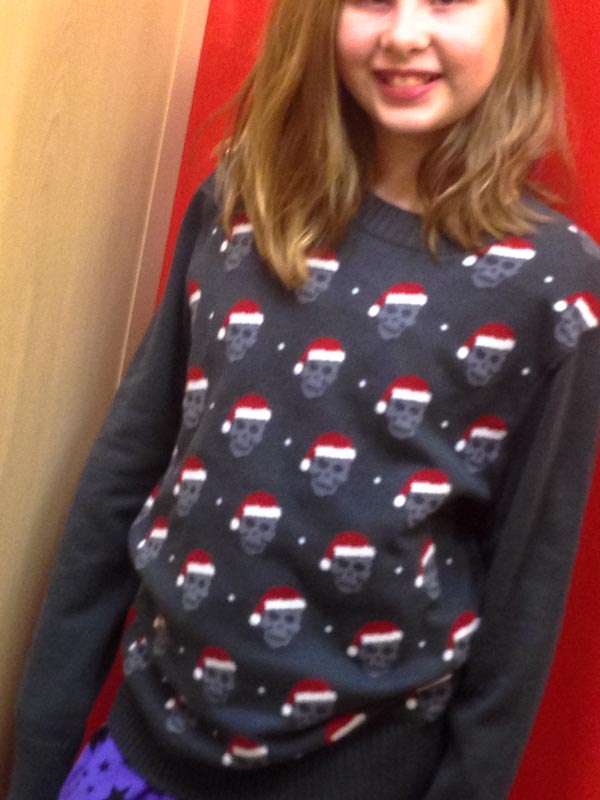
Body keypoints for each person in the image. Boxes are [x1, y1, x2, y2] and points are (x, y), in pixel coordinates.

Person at [8, 0, 600, 798]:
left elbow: (526, 596)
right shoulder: (238, 201)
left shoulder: (554, 287)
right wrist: (39, 751)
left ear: (515, 20)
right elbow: (125, 470)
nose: (405, 34)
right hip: (141, 754)